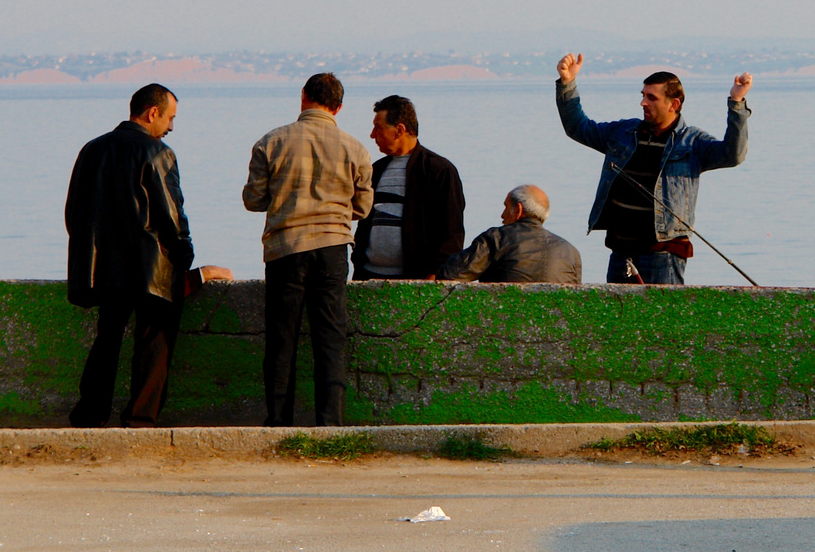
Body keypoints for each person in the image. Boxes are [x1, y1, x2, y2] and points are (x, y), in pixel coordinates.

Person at [65, 84, 232, 427]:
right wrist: (184, 257)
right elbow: (171, 214)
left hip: (104, 267)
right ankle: (140, 417)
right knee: (155, 340)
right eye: (170, 117)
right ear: (152, 112)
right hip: (151, 266)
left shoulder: (91, 150)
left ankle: (91, 413)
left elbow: (74, 213)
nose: (171, 126)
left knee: (107, 338)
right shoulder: (158, 152)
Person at [243, 73, 373, 426]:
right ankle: (330, 422)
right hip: (333, 249)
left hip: (286, 248)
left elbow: (253, 200)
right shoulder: (356, 149)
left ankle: (279, 421)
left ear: (303, 97)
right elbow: (362, 208)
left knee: (282, 338)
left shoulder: (271, 142)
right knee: (330, 337)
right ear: (339, 107)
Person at [555, 53, 752, 285]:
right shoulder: (623, 132)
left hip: (663, 256)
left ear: (674, 104)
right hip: (620, 253)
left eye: (651, 98)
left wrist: (736, 103)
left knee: (663, 320)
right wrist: (567, 84)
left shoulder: (693, 142)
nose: (643, 103)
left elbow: (734, 155)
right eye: (643, 96)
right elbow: (578, 128)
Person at [351, 94, 465, 280]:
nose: (372, 135)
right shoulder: (376, 170)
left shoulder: (439, 170)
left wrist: (434, 274)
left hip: (417, 279)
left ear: (399, 130)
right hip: (368, 275)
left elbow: (452, 232)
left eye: (378, 128)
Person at [437, 185, 582, 284]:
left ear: (518, 210)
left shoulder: (497, 238)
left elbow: (452, 275)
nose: (502, 215)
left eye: (506, 207)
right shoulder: (571, 252)